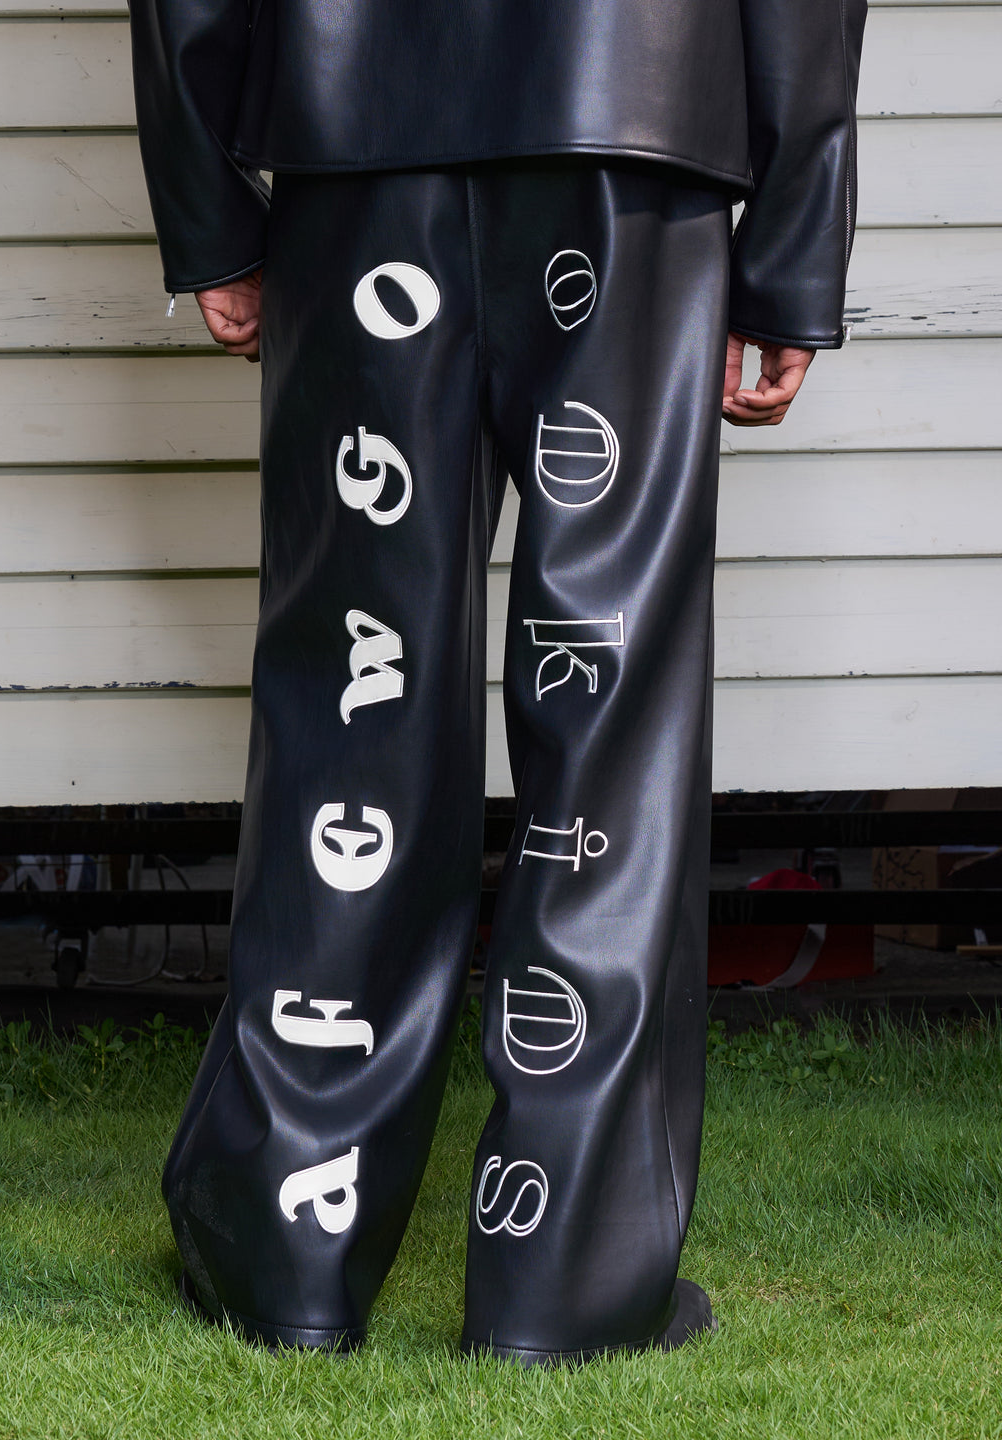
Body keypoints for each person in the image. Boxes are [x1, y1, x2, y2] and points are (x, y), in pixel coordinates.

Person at [128, 0, 867, 1365]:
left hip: (358, 150)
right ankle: (562, 1288)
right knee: (609, 713)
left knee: (356, 695)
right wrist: (792, 245)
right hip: (635, 131)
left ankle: (290, 1254)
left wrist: (208, 204)